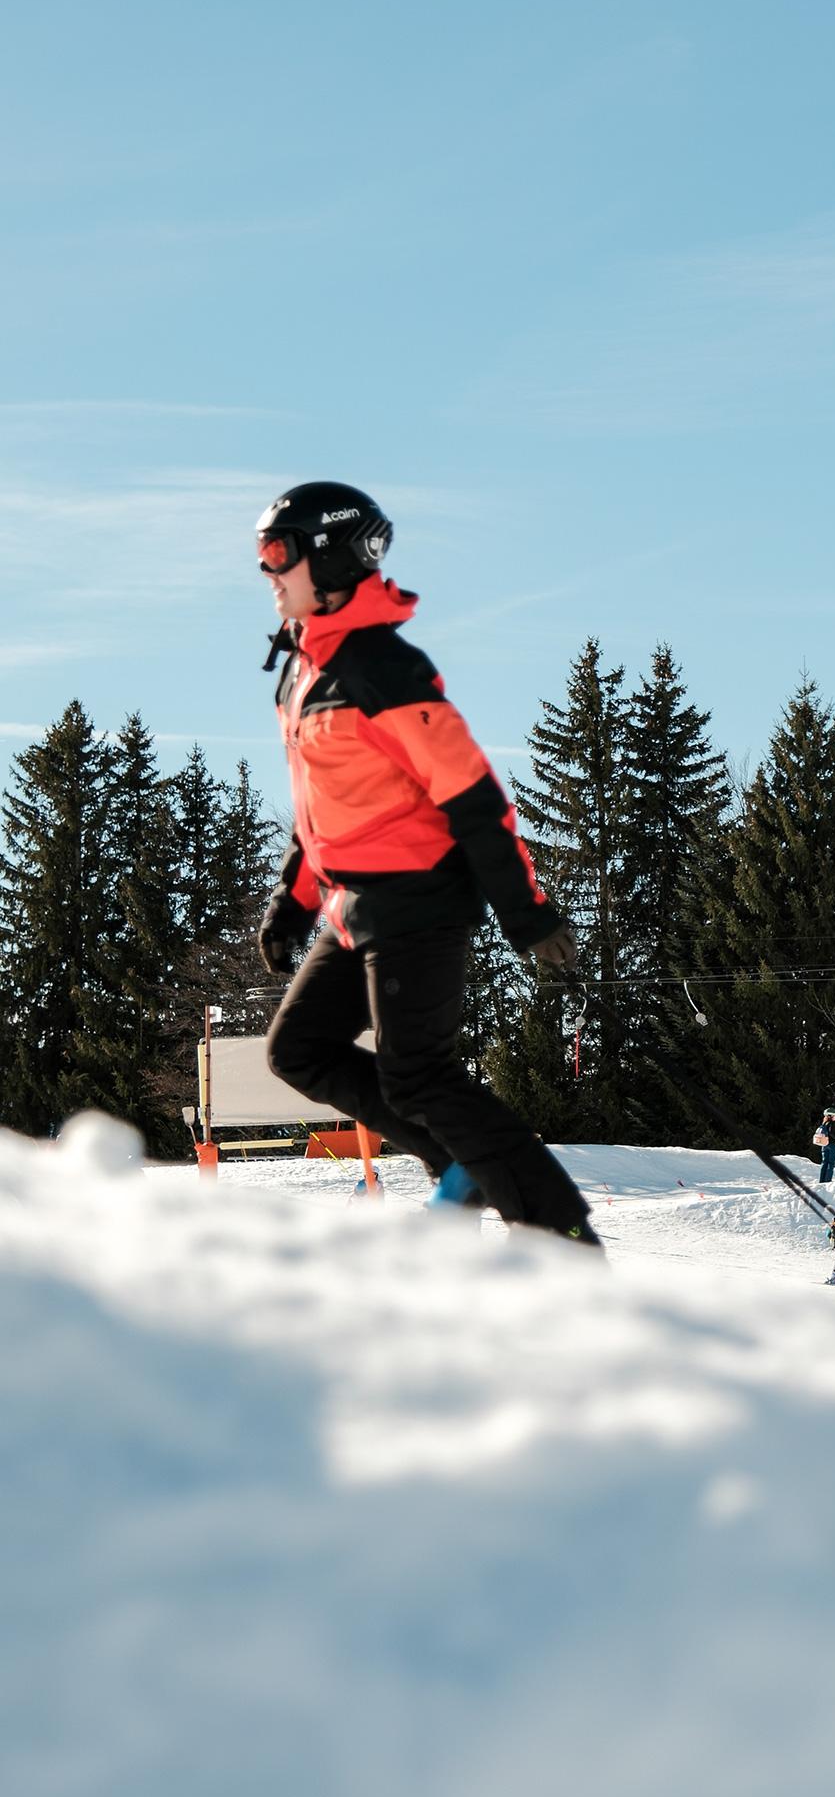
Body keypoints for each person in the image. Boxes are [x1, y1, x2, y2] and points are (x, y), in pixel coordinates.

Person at [254, 479, 599, 1246]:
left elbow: (475, 798)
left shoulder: (386, 669)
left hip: (418, 900)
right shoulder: (305, 669)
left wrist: (528, 913)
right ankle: (461, 1168)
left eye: (277, 553)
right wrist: (293, 902)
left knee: (418, 1075)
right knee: (298, 1049)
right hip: (352, 906)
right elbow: (324, 806)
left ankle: (560, 1236)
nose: (267, 572)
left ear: (331, 556)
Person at [813, 1107, 835, 1184]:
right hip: (832, 1145)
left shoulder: (823, 1124)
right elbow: (832, 1133)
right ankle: (828, 1181)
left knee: (824, 1162)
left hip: (824, 1145)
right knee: (831, 1163)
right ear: (831, 1116)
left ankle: (822, 1180)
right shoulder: (832, 1124)